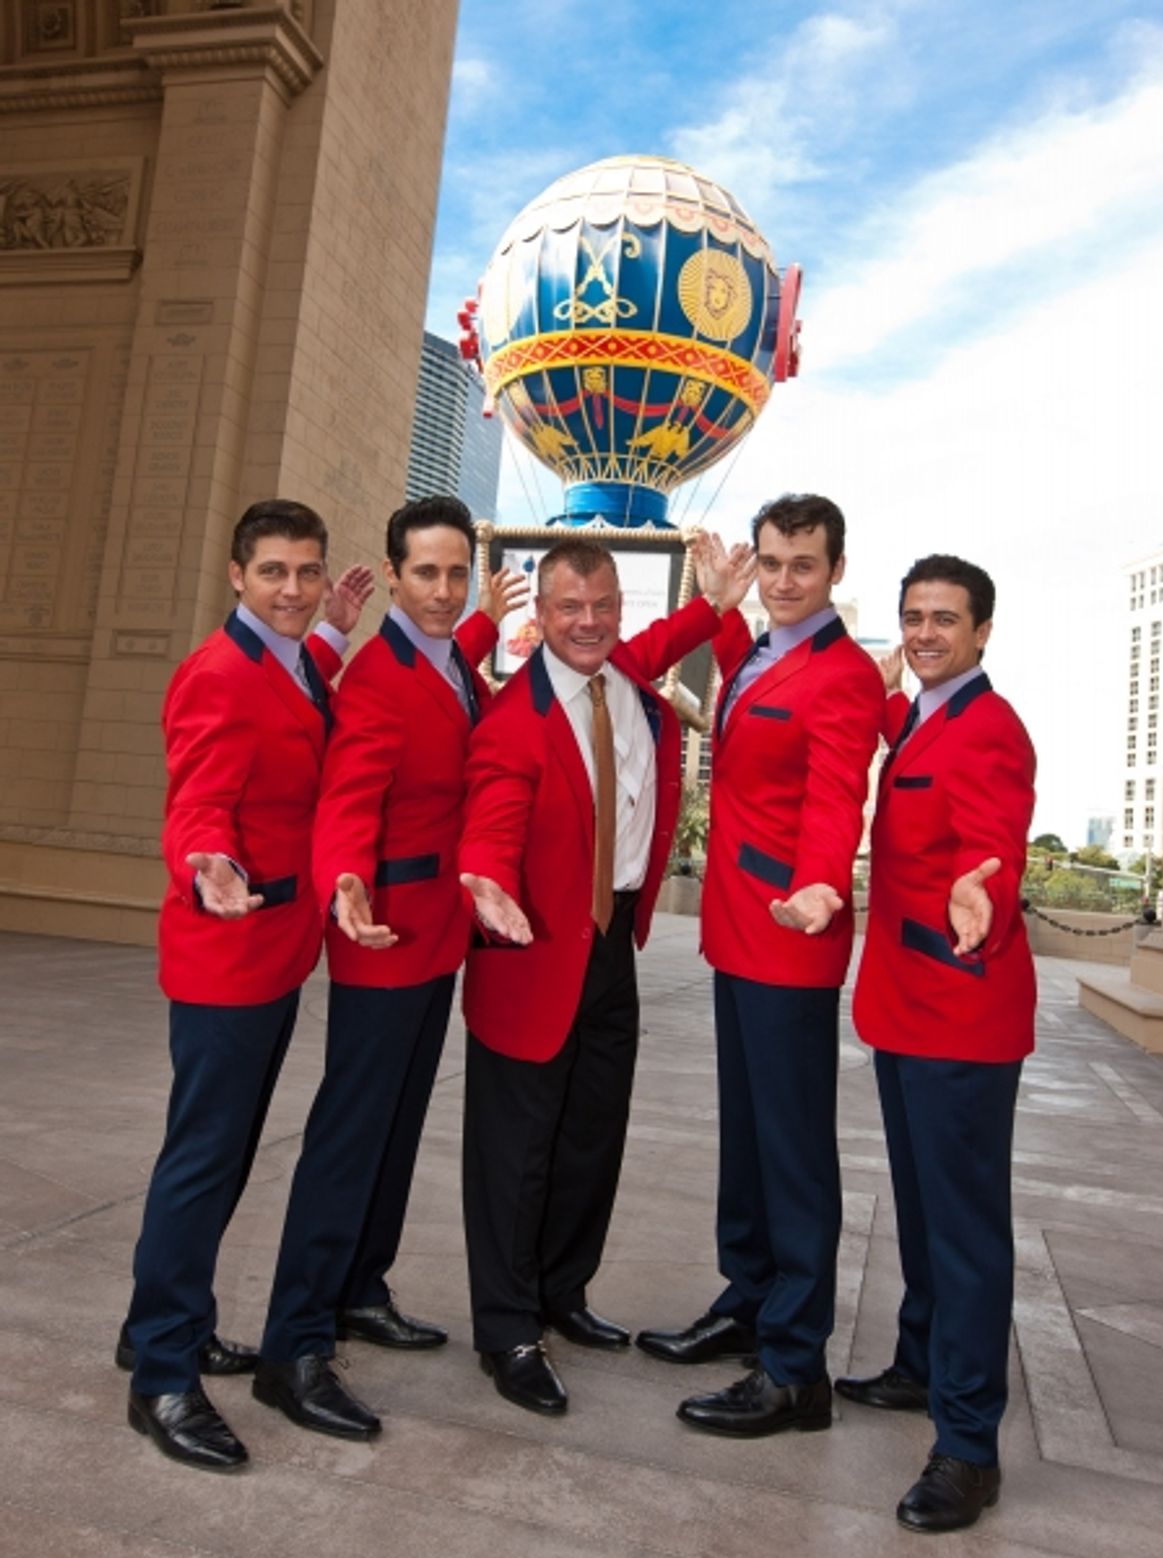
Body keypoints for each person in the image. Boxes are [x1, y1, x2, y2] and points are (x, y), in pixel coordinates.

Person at [457, 532, 752, 1415]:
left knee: (591, 1137)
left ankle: (560, 1292)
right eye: (568, 609)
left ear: (620, 608)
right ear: (538, 617)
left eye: (603, 606)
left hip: (611, 943)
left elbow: (670, 638)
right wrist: (484, 881)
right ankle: (507, 1329)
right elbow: (494, 814)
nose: (587, 624)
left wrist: (718, 600)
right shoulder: (513, 720)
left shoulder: (627, 669)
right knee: (516, 1156)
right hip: (530, 944)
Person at [253, 495, 527, 1439]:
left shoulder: (448, 653)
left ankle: (359, 1288)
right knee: (349, 1135)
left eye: (457, 573)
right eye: (426, 575)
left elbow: (454, 653)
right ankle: (293, 1347)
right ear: (394, 577)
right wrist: (342, 880)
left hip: (435, 936)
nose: (444, 591)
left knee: (400, 1125)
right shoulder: (376, 675)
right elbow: (350, 795)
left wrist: (483, 613)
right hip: (382, 936)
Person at [119, 499, 373, 1472]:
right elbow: (197, 799)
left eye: (309, 572)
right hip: (226, 952)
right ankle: (161, 1376)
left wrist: (338, 631)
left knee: (217, 1160)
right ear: (236, 576)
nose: (297, 589)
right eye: (275, 573)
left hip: (272, 954)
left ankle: (154, 1326)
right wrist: (206, 860)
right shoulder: (217, 673)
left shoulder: (297, 657)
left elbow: (308, 703)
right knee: (202, 1163)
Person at [636, 494, 885, 1438]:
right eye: (773, 562)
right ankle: (748, 1300)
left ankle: (794, 1368)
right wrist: (721, 602)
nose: (784, 581)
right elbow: (738, 692)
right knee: (746, 1139)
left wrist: (822, 883)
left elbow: (834, 796)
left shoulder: (844, 673)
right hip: (739, 930)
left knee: (792, 1155)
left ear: (836, 571)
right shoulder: (765, 655)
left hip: (790, 930)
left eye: (803, 566)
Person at [838, 554, 1036, 1535]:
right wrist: (872, 681)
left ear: (982, 632)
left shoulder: (989, 726)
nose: (923, 633)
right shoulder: (921, 713)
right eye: (913, 616)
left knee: (963, 1233)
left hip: (961, 1011)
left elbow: (996, 834)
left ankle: (968, 1444)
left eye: (944, 620)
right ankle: (921, 1364)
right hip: (906, 1008)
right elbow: (888, 733)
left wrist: (981, 892)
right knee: (920, 1213)